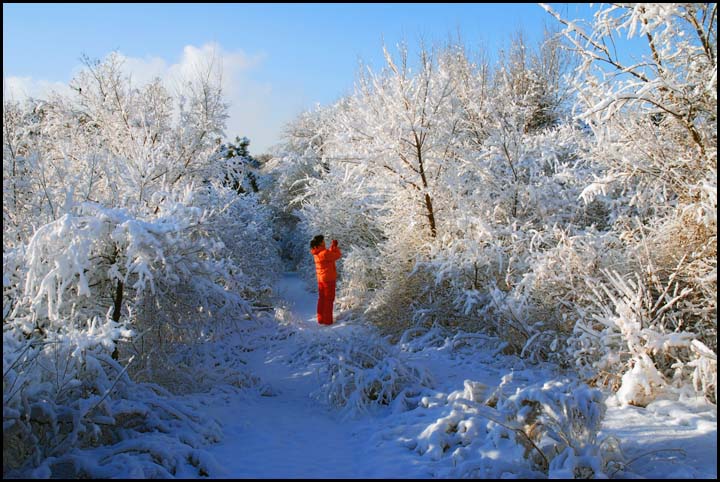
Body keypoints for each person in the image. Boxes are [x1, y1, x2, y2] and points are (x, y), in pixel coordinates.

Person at [309, 235, 342, 325]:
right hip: (329, 279)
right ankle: (328, 321)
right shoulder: (324, 253)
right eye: (323, 240)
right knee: (329, 300)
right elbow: (337, 255)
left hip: (321, 280)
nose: (325, 242)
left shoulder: (317, 253)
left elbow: (329, 255)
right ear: (320, 242)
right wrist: (335, 247)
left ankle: (321, 319)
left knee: (322, 299)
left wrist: (332, 247)